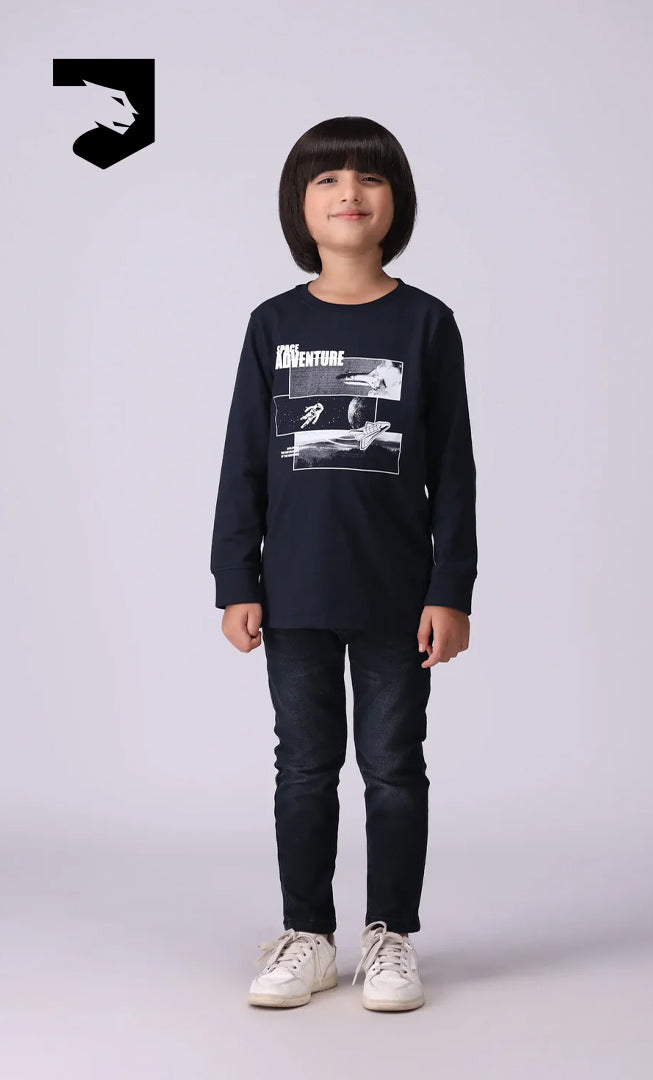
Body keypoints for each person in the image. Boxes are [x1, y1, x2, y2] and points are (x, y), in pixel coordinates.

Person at [210, 116, 477, 1012]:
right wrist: (236, 580)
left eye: (369, 177)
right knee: (303, 766)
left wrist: (451, 589)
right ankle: (309, 938)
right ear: (300, 204)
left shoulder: (427, 323)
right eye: (327, 179)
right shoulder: (273, 325)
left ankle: (389, 935)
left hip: (400, 595)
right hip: (293, 592)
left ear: (397, 201)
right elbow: (244, 462)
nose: (349, 193)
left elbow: (455, 471)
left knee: (394, 765)